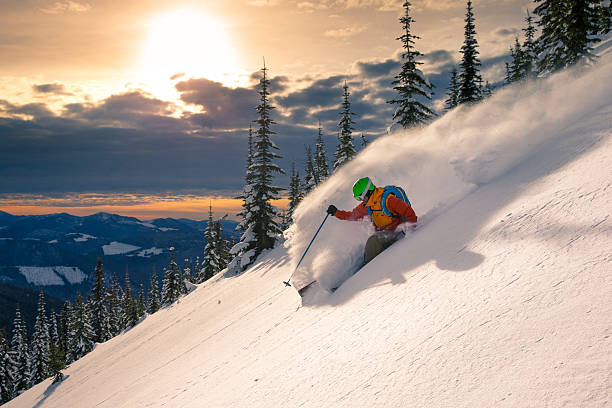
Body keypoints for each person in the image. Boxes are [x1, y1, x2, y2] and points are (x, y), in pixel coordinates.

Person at [327, 176, 417, 265]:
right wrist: (336, 212)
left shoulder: (388, 200)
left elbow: (408, 212)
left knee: (374, 240)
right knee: (371, 241)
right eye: (358, 199)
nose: (360, 200)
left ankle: (369, 268)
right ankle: (367, 260)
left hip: (397, 231)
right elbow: (352, 215)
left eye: (361, 197)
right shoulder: (367, 205)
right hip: (384, 234)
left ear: (368, 192)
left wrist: (410, 232)